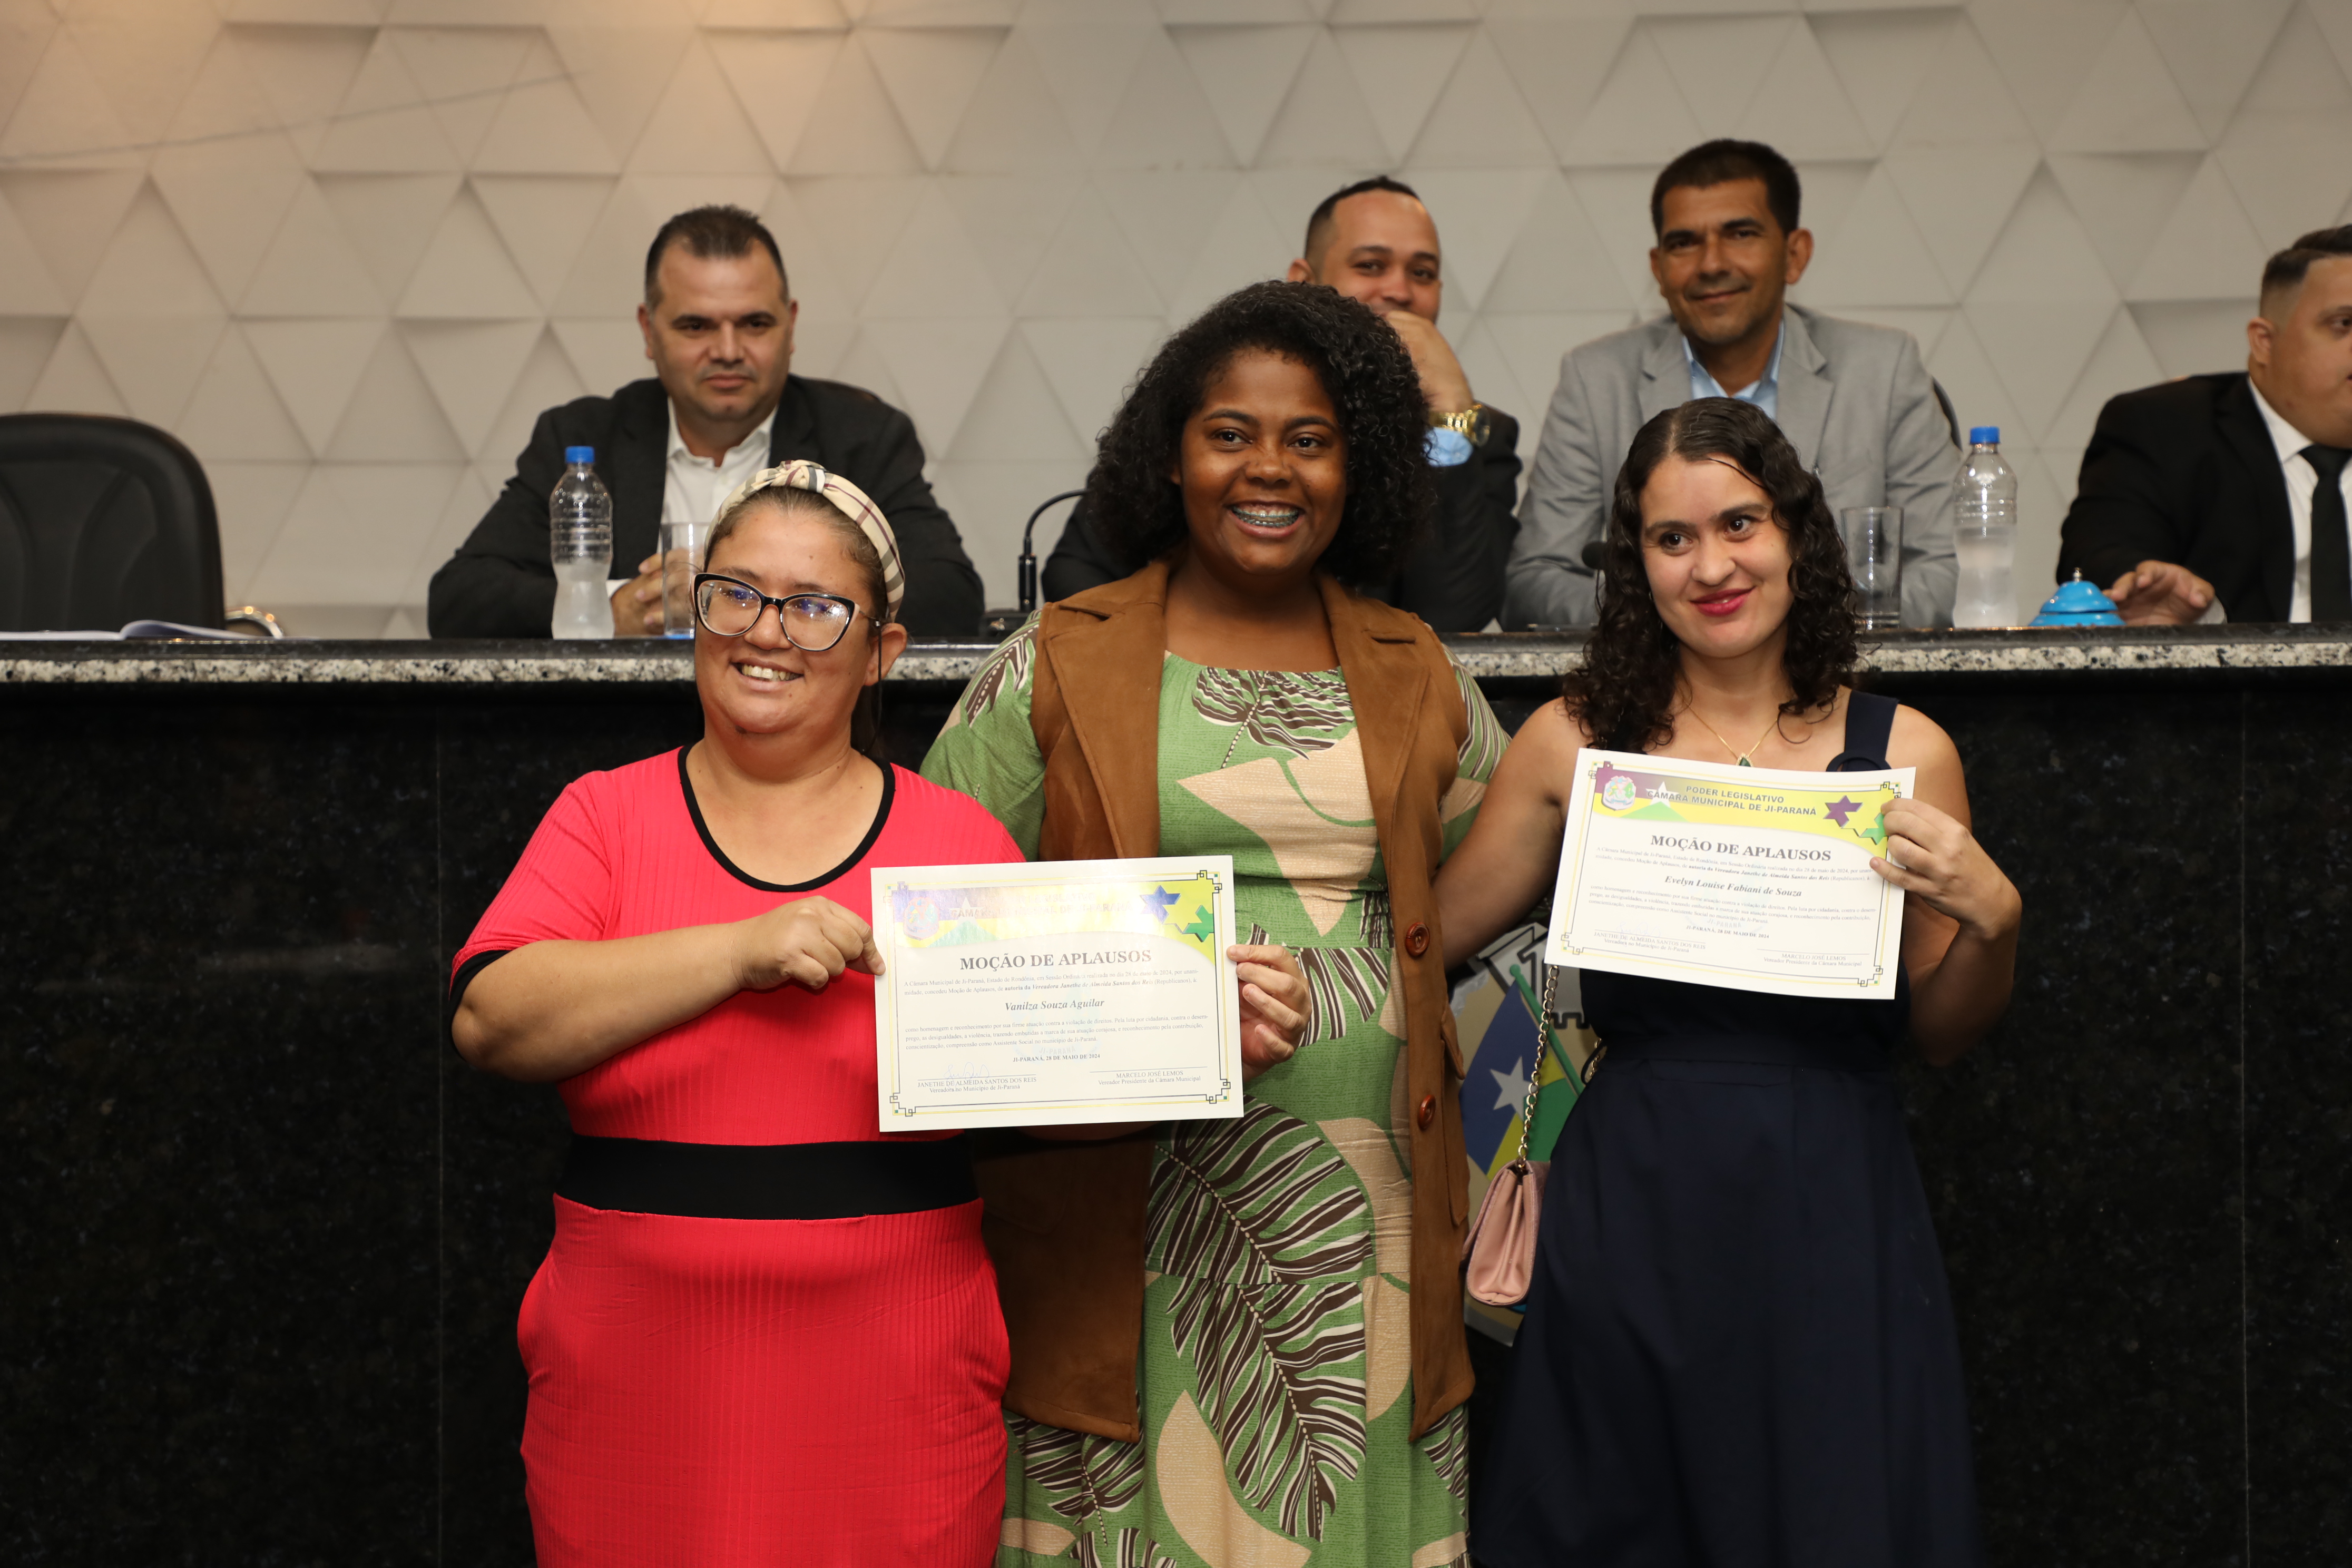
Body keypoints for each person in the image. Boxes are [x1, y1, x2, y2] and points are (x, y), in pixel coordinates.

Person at [924, 280, 1507, 1568]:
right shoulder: (1060, 658)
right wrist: (1158, 1003)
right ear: (1169, 456)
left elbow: (1503, 882)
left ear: (1359, 467)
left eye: (1311, 439)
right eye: (1229, 433)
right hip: (1124, 1224)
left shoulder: (1414, 665)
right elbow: (938, 924)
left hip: (1371, 1233)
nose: (1269, 469)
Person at [1447, 398, 2020, 1566]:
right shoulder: (1573, 743)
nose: (1711, 566)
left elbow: (1945, 1031)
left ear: (1796, 535)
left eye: (1739, 524)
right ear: (1635, 564)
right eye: (1672, 538)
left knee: (1829, 1517)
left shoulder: (1903, 749)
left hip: (1830, 1202)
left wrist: (1995, 921)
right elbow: (1428, 939)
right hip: (1630, 1202)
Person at [446, 464, 1012, 1564]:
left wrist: (1195, 1024)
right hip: (633, 1384)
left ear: (882, 653)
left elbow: (1056, 1079)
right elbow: (492, 1022)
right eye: (735, 594)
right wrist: (739, 950)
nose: (766, 631)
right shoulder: (603, 817)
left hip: (896, 1383)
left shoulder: (957, 845)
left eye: (815, 606)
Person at [428, 205, 984, 639]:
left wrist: (783, 606)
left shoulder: (862, 436)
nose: (728, 351)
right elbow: (459, 600)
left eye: (755, 324)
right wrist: (613, 609)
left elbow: (952, 596)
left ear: (790, 326)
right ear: (649, 331)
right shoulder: (582, 438)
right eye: (696, 326)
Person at [1507, 139, 1959, 630]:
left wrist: (1785, 632)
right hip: (1659, 674)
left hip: (1837, 670)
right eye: (1684, 243)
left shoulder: (1882, 369)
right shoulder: (1595, 379)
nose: (1711, 264)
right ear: (1658, 269)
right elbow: (1535, 580)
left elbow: (1945, 569)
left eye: (1741, 234)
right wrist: (1681, 617)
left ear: (1794, 254)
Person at [1041, 177, 1522, 631]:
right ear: (1304, 280)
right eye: (1370, 266)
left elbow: (1456, 618)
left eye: (1422, 273)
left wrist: (1448, 419)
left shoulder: (1479, 434)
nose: (1399, 291)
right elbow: (1077, 573)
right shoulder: (1204, 401)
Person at [2057, 225, 2352, 624]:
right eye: (2344, 324)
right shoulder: (2164, 427)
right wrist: (2165, 598)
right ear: (2265, 342)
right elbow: (2100, 556)